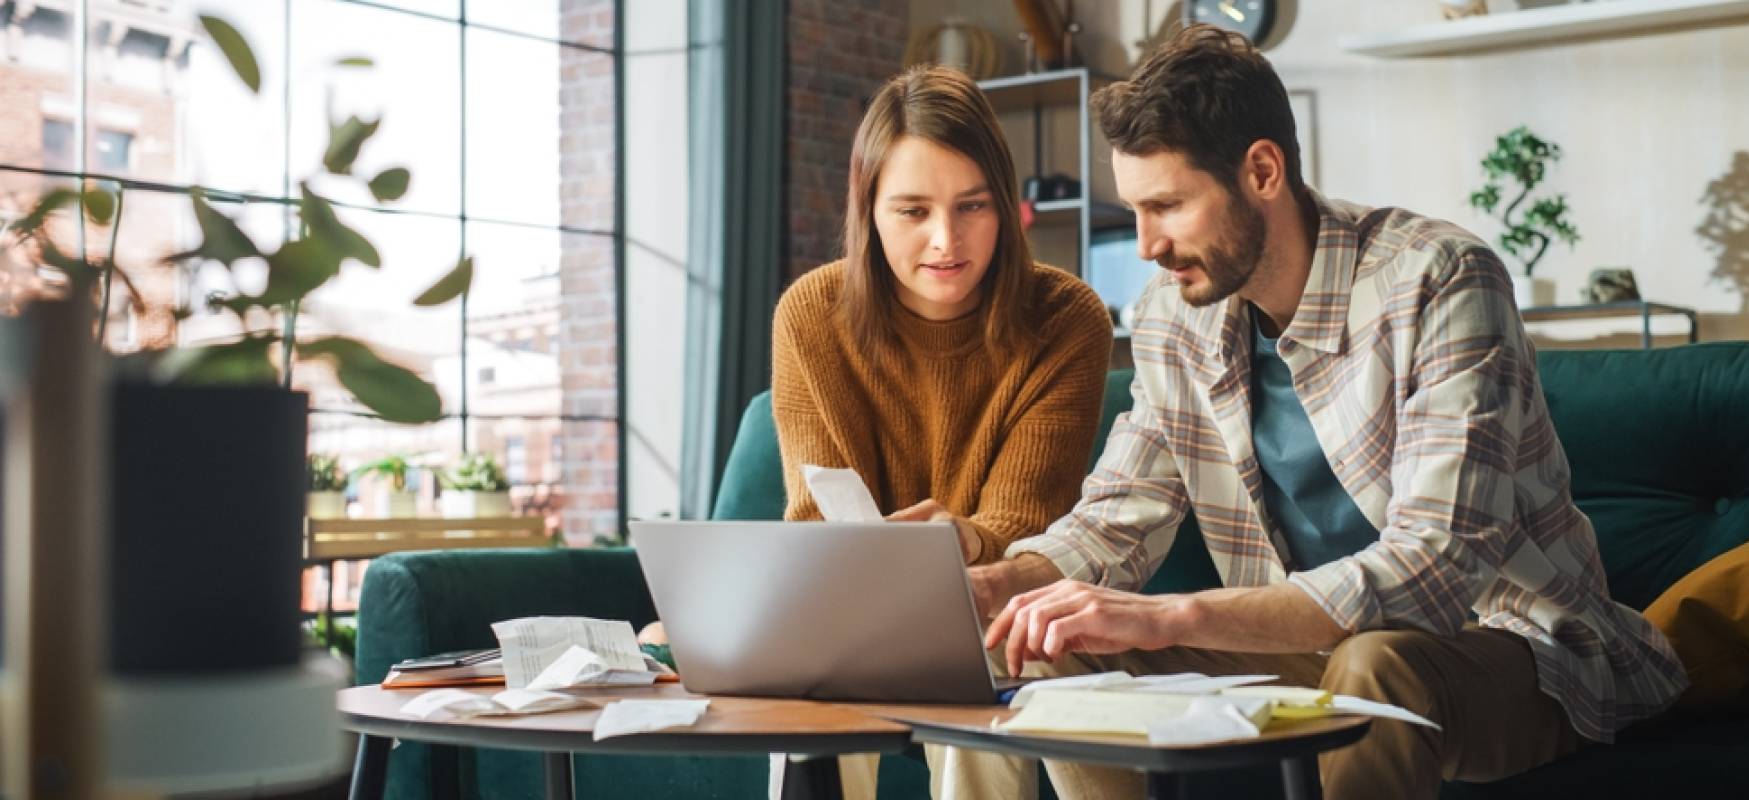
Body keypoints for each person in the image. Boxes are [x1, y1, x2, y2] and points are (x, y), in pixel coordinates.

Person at [956, 24, 1687, 800]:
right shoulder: (1174, 319)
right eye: (1135, 210)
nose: (1146, 246)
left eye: (1167, 205)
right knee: (1048, 642)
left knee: (1376, 664)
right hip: (1301, 655)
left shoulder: (1439, 280)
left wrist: (1169, 617)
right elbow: (1115, 517)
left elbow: (1434, 568)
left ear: (1262, 170)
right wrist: (995, 586)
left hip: (1505, 647)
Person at [643, 64, 1115, 798]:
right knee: (811, 665)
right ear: (868, 209)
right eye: (912, 211)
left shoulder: (1066, 318)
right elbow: (817, 519)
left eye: (973, 205)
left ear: (1008, 207)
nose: (945, 240)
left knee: (981, 653)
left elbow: (1029, 522)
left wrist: (957, 540)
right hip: (843, 610)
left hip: (990, 603)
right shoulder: (811, 314)